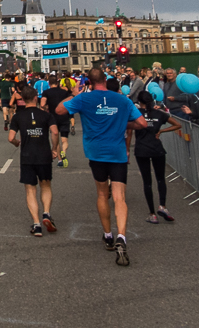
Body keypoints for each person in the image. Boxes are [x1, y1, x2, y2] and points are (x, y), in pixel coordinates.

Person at [55, 66, 147, 266]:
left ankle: (108, 235)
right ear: (105, 80)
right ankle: (122, 236)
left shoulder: (84, 98)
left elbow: (60, 110)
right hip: (117, 153)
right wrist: (123, 123)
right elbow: (142, 124)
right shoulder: (123, 99)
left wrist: (74, 94)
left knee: (101, 194)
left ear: (88, 81)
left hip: (96, 153)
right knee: (119, 197)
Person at [9, 86, 60, 236]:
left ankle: (36, 224)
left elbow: (10, 137)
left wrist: (16, 142)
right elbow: (55, 132)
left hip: (27, 157)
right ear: (36, 98)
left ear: (23, 100)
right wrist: (55, 148)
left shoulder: (17, 117)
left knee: (30, 189)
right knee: (46, 186)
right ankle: (46, 213)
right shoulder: (46, 115)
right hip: (44, 155)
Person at [131, 90, 180, 224]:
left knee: (147, 182)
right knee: (160, 179)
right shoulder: (160, 114)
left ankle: (152, 213)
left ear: (139, 101)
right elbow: (177, 124)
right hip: (157, 149)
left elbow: (128, 128)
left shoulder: (136, 114)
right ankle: (162, 206)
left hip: (141, 150)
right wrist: (162, 130)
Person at [40, 75, 73, 167]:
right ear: (58, 83)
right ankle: (64, 151)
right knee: (64, 139)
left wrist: (46, 107)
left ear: (49, 83)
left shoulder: (46, 92)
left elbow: (42, 104)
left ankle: (59, 159)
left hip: (53, 118)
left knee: (56, 139)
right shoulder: (64, 92)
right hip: (64, 116)